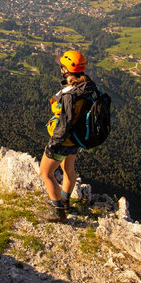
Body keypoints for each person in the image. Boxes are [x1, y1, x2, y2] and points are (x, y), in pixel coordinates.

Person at [40, 50, 97, 222]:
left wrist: (53, 144)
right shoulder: (87, 88)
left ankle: (58, 212)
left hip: (64, 139)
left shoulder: (70, 95)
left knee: (45, 173)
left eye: (62, 66)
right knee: (68, 169)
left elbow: (64, 124)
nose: (60, 69)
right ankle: (65, 201)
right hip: (77, 138)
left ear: (67, 69)